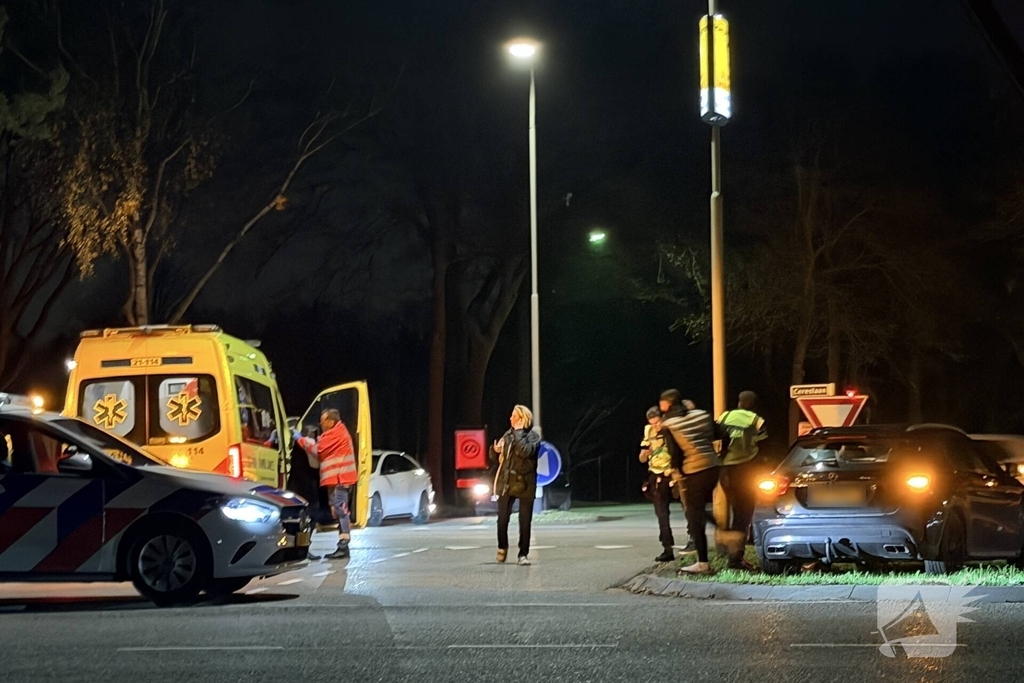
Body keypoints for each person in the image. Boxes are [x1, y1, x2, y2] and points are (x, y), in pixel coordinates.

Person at [659, 389, 720, 574]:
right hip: (713, 466)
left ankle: (703, 562)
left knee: (694, 516)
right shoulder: (701, 415)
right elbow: (720, 433)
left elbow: (674, 453)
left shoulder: (669, 424)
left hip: (693, 471)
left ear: (668, 404)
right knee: (698, 509)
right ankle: (722, 526)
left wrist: (676, 473)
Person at [717, 391, 768, 569]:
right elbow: (764, 443)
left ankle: (730, 550)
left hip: (725, 470)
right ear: (754, 404)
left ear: (739, 402)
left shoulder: (725, 416)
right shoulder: (756, 419)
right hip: (745, 469)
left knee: (734, 510)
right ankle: (735, 557)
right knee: (743, 514)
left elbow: (715, 437)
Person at [297, 409, 357, 560]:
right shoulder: (337, 432)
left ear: (331, 421)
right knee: (337, 510)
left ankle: (343, 545)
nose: (321, 425)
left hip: (340, 479)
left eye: (323, 422)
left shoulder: (335, 434)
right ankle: (343, 545)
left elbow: (318, 451)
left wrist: (300, 439)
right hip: (336, 479)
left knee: (340, 509)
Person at [492, 404, 541, 565]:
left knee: (525, 520)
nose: (510, 418)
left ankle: (523, 554)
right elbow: (496, 458)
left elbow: (525, 452)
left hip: (525, 484)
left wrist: (519, 434)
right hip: (506, 482)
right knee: (502, 518)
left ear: (522, 419)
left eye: (514, 416)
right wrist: (495, 450)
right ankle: (502, 546)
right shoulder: (507, 435)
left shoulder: (533, 437)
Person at [640, 406, 679, 563]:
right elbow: (642, 458)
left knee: (692, 510)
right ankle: (667, 548)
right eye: (653, 423)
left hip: (674, 474)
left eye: (657, 422)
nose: (656, 426)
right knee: (662, 514)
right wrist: (644, 454)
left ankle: (694, 543)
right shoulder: (648, 431)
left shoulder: (672, 428)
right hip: (656, 475)